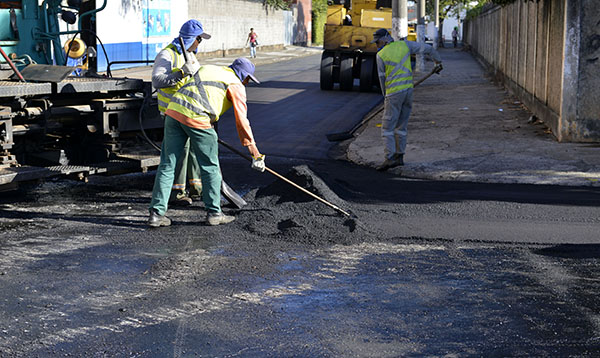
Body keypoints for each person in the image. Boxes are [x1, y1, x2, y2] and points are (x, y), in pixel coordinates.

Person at [147, 57, 266, 227]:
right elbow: (242, 121)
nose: (247, 83)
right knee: (210, 166)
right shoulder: (235, 84)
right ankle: (214, 213)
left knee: (167, 165)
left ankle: (156, 215)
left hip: (173, 113)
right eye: (248, 79)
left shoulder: (209, 68)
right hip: (198, 118)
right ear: (243, 75)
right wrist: (255, 153)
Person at [152, 19, 212, 206]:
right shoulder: (167, 55)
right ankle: (176, 193)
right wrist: (181, 73)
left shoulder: (191, 55)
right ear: (190, 38)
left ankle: (196, 189)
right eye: (198, 39)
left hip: (191, 112)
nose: (199, 44)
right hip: (173, 112)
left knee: (194, 150)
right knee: (180, 153)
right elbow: (157, 80)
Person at [371, 28, 443, 171]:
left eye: (377, 42)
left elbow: (382, 78)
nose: (376, 45)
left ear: (385, 39)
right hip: (408, 91)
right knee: (401, 126)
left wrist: (385, 96)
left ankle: (389, 158)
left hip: (393, 94)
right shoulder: (405, 45)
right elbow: (428, 49)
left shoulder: (380, 55)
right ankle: (400, 157)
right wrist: (438, 62)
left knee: (387, 128)